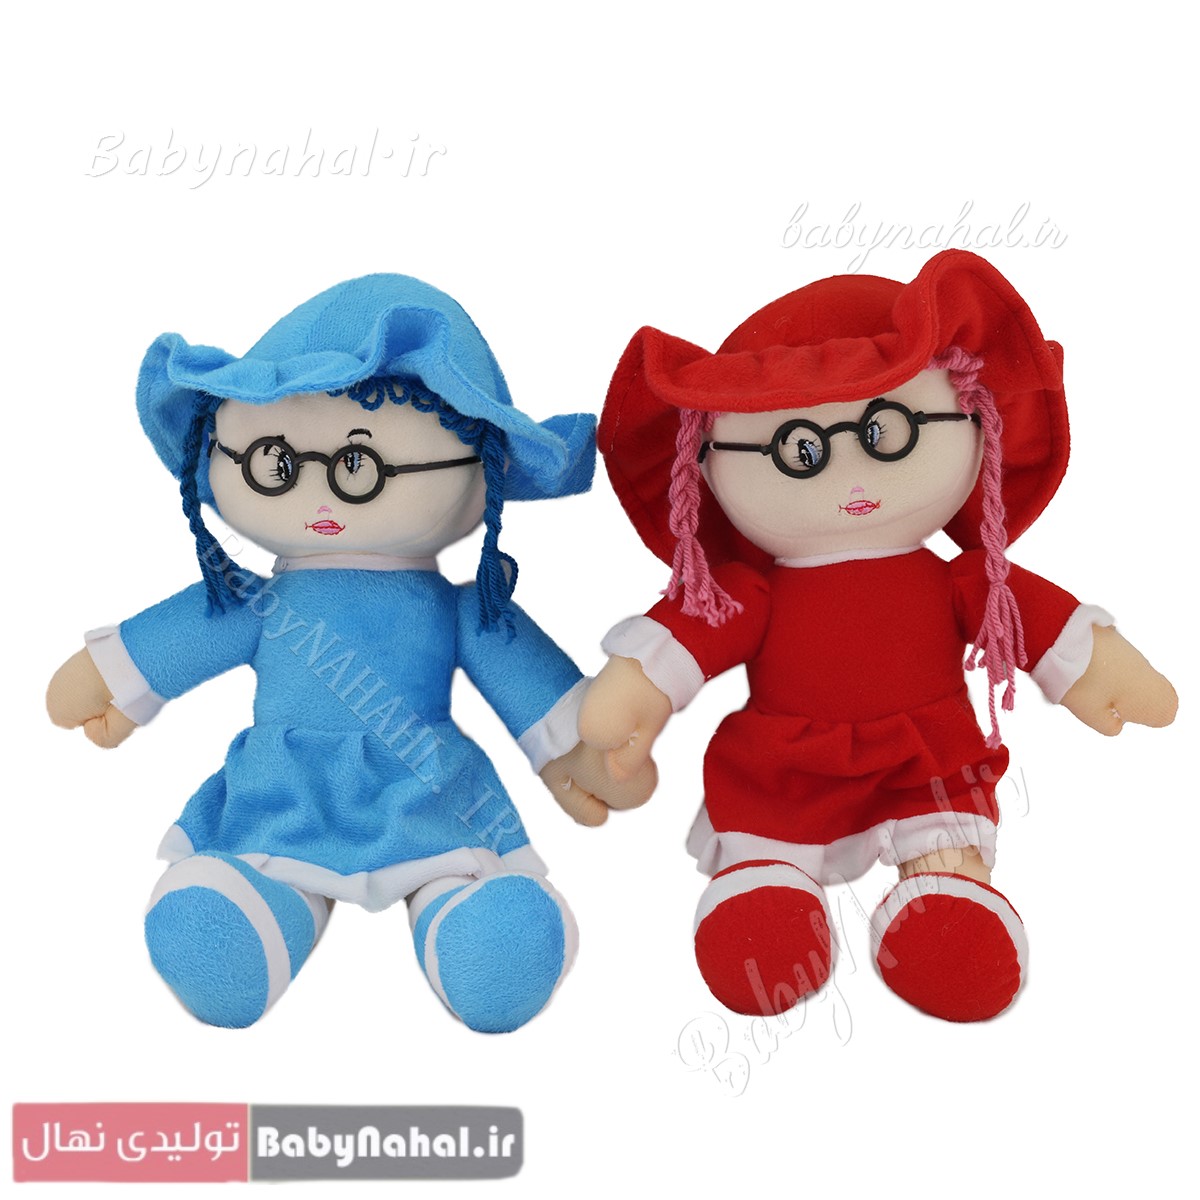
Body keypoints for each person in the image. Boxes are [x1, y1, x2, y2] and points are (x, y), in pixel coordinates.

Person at [577, 250, 1177, 1023]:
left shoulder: (956, 578)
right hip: (787, 768)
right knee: (766, 861)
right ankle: (767, 895)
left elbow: (1022, 611)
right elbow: (695, 630)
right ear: (709, 460)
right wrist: (640, 691)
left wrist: (1097, 665)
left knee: (946, 846)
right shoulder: (755, 591)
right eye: (802, 450)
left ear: (972, 418)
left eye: (885, 432)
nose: (852, 475)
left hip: (925, 759)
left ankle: (944, 909)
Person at [46, 273, 652, 1032]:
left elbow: (518, 671)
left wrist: (576, 752)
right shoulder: (258, 601)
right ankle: (249, 924)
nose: (323, 494)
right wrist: (113, 675)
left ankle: (474, 929)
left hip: (422, 787)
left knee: (465, 880)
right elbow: (190, 631)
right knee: (252, 873)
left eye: (359, 468)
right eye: (276, 462)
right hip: (285, 790)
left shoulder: (456, 607)